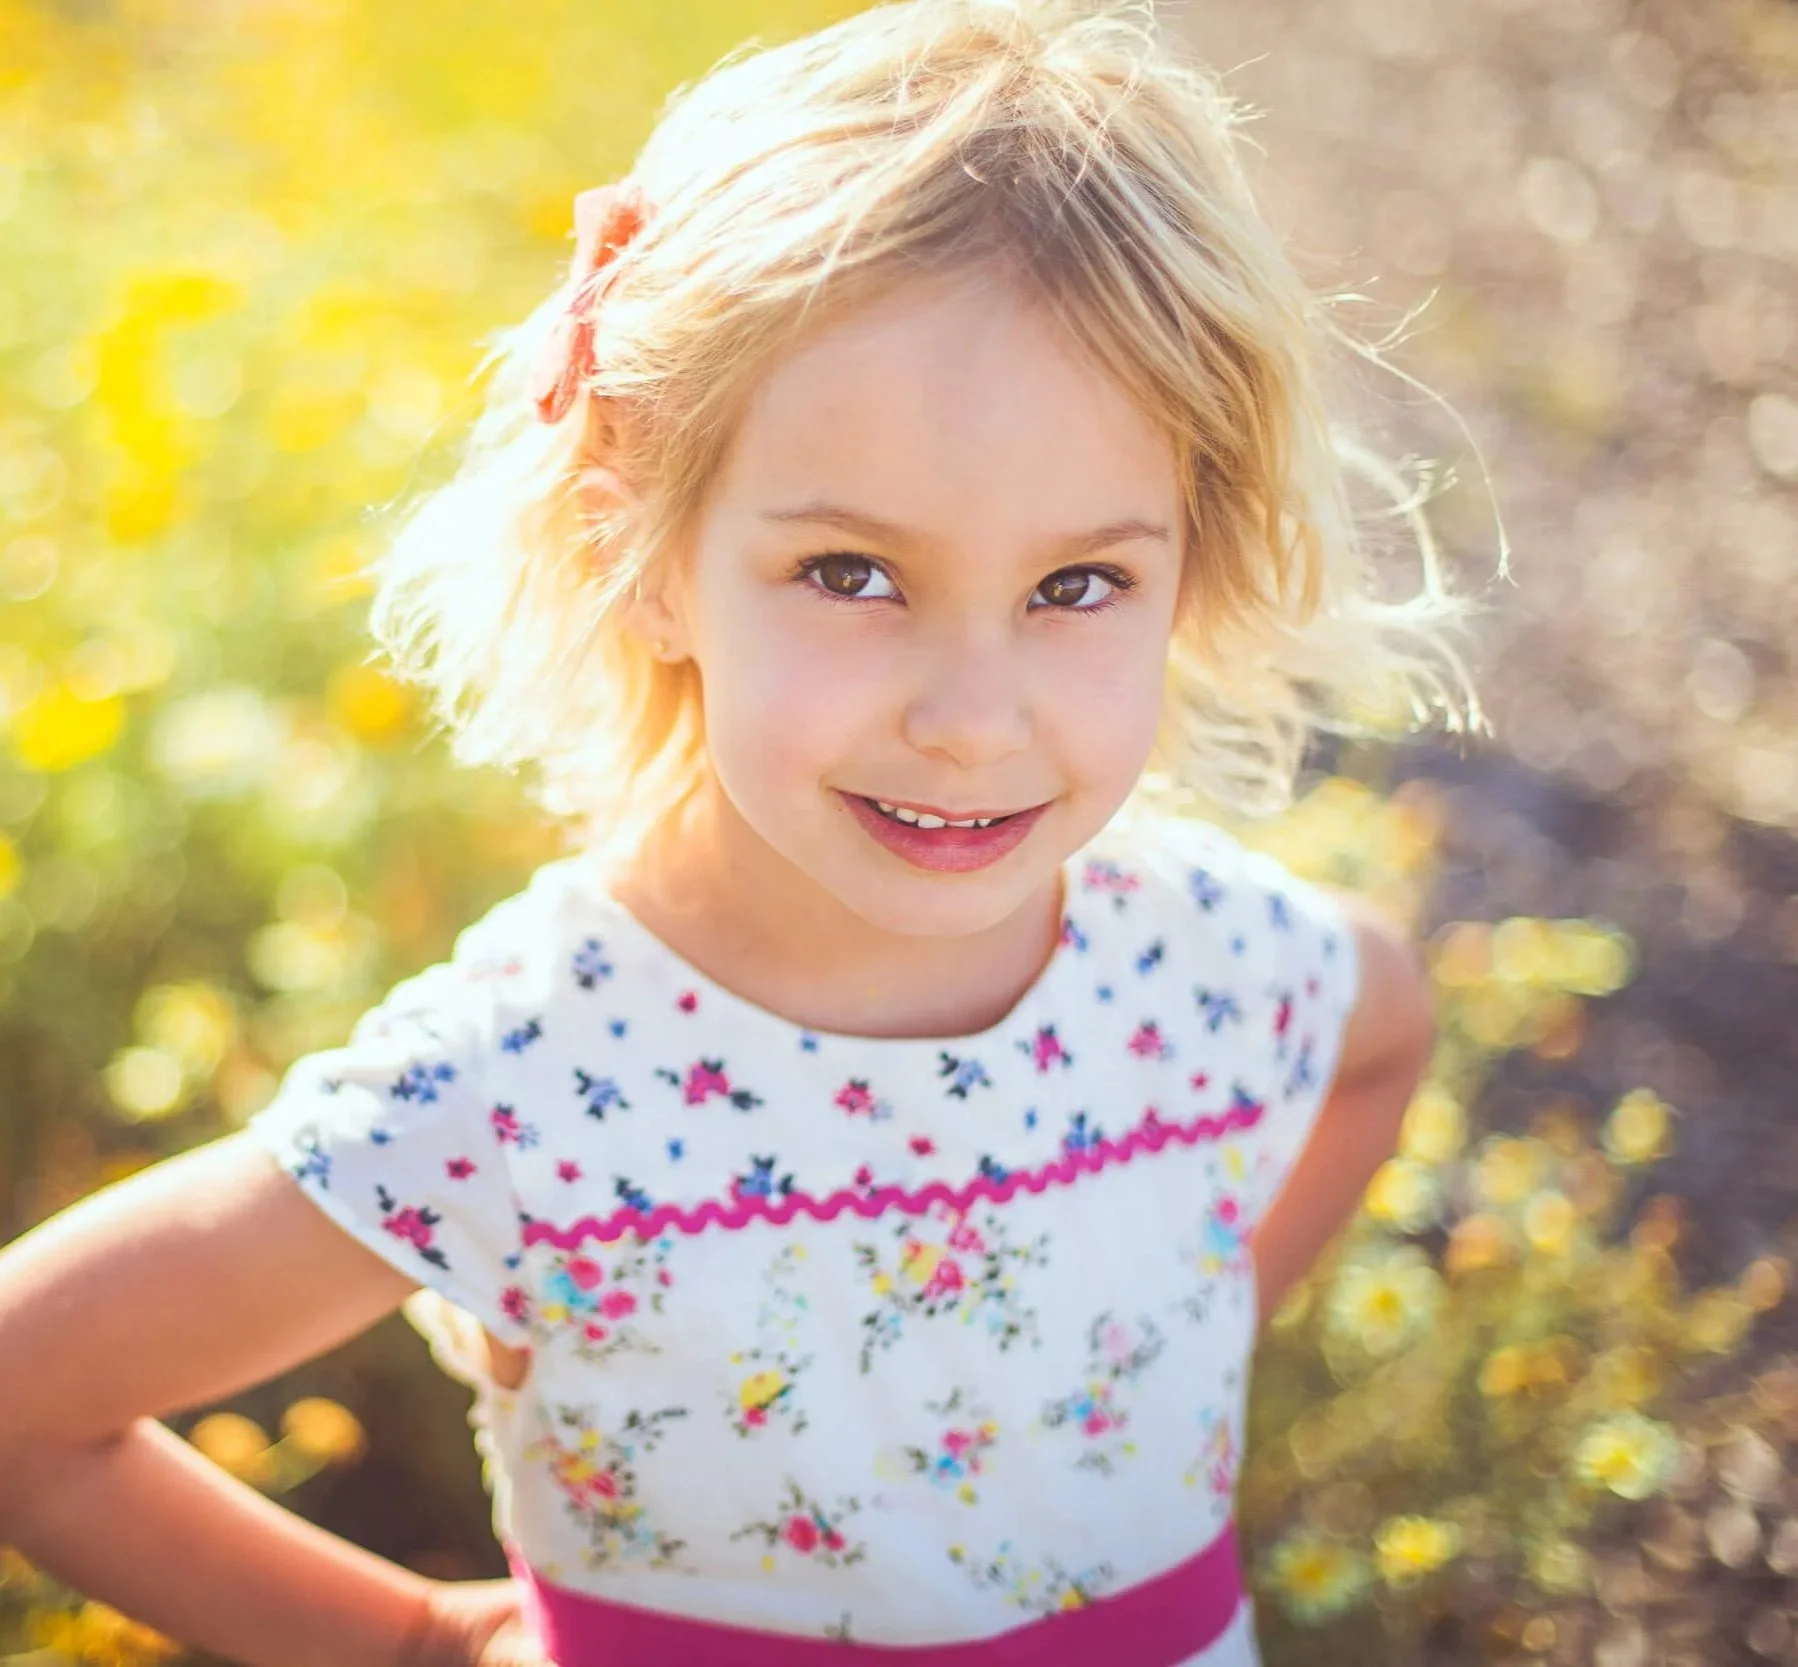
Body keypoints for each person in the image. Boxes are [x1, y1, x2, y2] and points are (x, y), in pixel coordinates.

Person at [0, 1, 1489, 1661]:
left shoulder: (1211, 965)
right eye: (852, 573)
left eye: (1078, 583)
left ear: (1186, 567)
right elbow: (25, 1399)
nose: (971, 715)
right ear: (639, 536)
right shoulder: (535, 1084)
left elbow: (1381, 1035)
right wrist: (420, 1637)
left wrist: (1199, 1329)